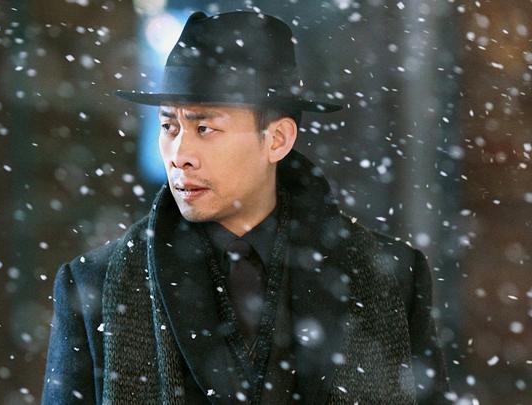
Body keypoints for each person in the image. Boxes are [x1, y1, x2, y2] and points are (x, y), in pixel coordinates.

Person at [41, 10, 450, 404]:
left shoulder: (389, 277)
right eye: (169, 127)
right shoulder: (94, 285)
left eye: (204, 128)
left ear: (277, 140)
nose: (179, 155)